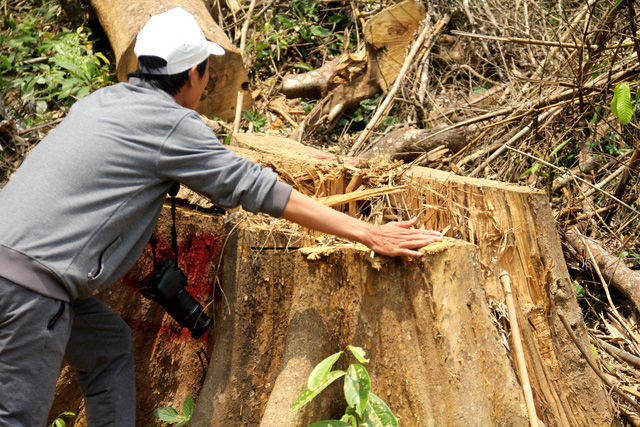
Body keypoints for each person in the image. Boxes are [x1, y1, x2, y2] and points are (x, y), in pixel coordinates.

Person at [0, 7, 441, 426]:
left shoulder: (101, 102)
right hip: (29, 291)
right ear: (194, 74)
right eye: (207, 74)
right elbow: (256, 187)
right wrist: (367, 232)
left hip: (17, 267)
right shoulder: (169, 124)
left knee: (107, 347)